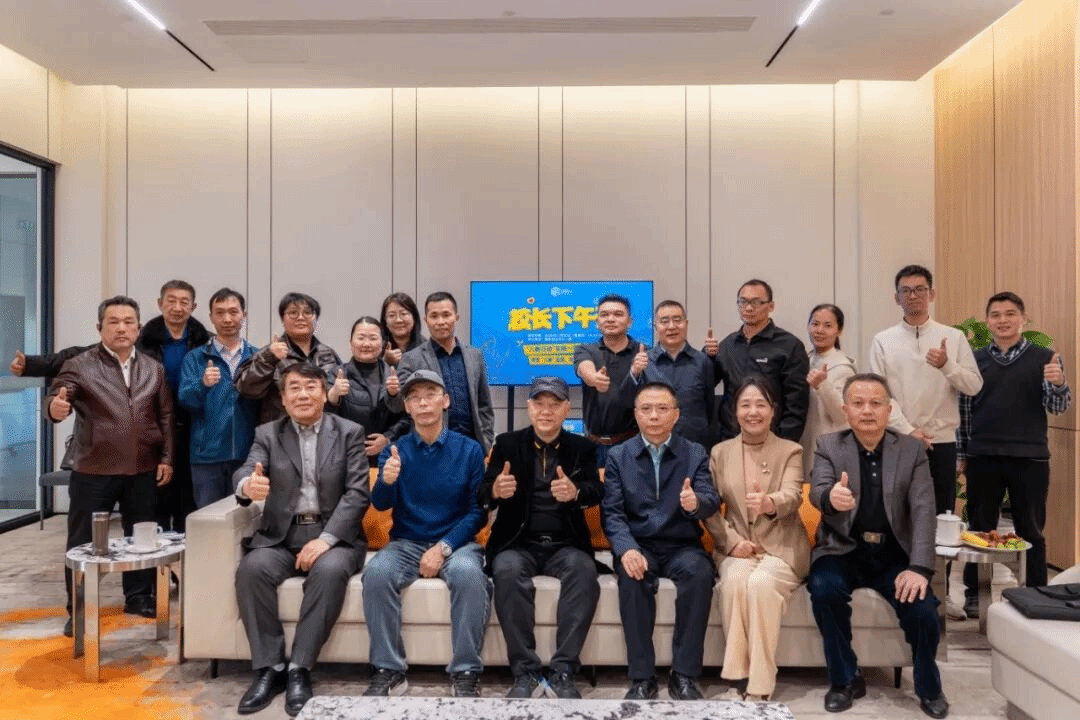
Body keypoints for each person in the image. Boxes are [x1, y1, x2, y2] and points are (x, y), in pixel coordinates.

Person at [807, 373, 948, 719]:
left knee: (923, 610)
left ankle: (928, 685)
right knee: (824, 589)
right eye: (858, 403)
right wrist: (830, 498)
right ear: (845, 410)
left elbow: (923, 509)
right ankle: (844, 679)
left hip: (894, 554)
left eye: (875, 403)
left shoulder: (911, 450)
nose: (867, 410)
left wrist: (919, 568)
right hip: (843, 549)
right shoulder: (829, 445)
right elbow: (818, 489)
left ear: (889, 409)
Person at [232, 363, 369, 717]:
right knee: (252, 570)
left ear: (324, 394)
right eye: (294, 388)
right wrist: (247, 485)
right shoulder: (267, 434)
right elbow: (248, 469)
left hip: (333, 538)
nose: (303, 395)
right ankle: (270, 668)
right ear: (283, 398)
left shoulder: (349, 432)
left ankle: (299, 669)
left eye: (311, 387)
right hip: (282, 537)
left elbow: (357, 493)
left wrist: (326, 539)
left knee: (329, 572)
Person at [44, 296, 173, 637]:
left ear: (138, 328)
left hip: (142, 467)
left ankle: (139, 597)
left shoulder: (153, 368)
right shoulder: (79, 365)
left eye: (128, 322)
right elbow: (60, 394)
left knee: (141, 536)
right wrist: (55, 408)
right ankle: (79, 609)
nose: (121, 328)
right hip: (93, 470)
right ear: (99, 327)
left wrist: (166, 458)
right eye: (113, 322)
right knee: (82, 543)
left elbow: (165, 416)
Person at [363, 369, 490, 698]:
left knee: (468, 574)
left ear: (445, 401)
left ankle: (465, 671)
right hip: (406, 542)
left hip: (457, 543)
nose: (423, 403)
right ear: (407, 407)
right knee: (376, 572)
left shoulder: (470, 450)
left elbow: (478, 513)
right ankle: (388, 669)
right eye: (415, 397)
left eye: (430, 394)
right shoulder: (395, 450)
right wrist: (386, 480)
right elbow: (381, 504)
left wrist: (443, 547)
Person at [869, 265, 982, 621]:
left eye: (920, 289)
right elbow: (878, 393)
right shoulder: (883, 340)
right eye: (906, 290)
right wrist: (907, 429)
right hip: (896, 440)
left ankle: (939, 593)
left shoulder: (953, 337)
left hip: (942, 442)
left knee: (939, 519)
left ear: (931, 294)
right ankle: (895, 588)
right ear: (896, 298)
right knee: (894, 514)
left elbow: (974, 385)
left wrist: (947, 365)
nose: (913, 296)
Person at [479, 376, 603, 699]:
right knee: (506, 570)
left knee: (584, 571)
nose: (546, 411)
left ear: (566, 409)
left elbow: (596, 490)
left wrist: (576, 492)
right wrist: (496, 490)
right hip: (518, 543)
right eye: (539, 403)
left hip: (566, 544)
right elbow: (483, 492)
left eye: (554, 404)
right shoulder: (507, 444)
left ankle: (563, 671)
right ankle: (526, 672)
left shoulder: (583, 448)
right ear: (529, 408)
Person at [601, 381, 720, 701]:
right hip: (639, 544)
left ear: (676, 415)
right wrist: (626, 549)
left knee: (699, 574)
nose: (654, 416)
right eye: (646, 409)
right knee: (632, 577)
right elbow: (612, 513)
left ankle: (684, 675)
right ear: (636, 414)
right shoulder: (618, 456)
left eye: (662, 409)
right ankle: (642, 677)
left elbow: (710, 499)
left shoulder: (694, 453)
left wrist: (696, 503)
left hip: (683, 545)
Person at [958, 292, 1071, 616]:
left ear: (1023, 318)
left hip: (1029, 458)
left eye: (1010, 314)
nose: (1003, 320)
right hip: (983, 456)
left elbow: (1057, 407)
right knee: (979, 529)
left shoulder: (1045, 358)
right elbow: (964, 412)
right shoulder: (974, 359)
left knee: (1031, 530)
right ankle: (975, 596)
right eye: (996, 314)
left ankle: (1036, 595)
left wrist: (1059, 384)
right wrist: (962, 454)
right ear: (987, 321)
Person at [705, 378, 810, 701]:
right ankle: (738, 679)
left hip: (781, 548)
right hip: (738, 547)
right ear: (735, 411)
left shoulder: (791, 450)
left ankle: (761, 685)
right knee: (735, 581)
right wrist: (731, 541)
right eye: (745, 405)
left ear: (773, 411)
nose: (753, 412)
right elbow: (710, 507)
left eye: (760, 405)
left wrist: (769, 503)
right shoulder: (720, 452)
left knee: (760, 584)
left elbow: (793, 495)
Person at [136, 279, 210, 532]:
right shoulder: (141, 342)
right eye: (171, 301)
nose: (177, 307)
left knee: (187, 499)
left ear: (193, 307)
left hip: (193, 426)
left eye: (184, 302)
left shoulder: (206, 343)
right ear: (160, 303)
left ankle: (184, 551)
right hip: (153, 426)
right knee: (155, 495)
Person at [177, 288, 260, 508]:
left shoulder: (257, 357)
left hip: (247, 455)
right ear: (211, 317)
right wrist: (202, 384)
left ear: (244, 315)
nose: (227, 319)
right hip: (206, 457)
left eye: (233, 312)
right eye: (220, 313)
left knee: (245, 518)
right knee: (208, 519)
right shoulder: (196, 358)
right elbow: (185, 401)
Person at [386, 291, 494, 454]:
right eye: (434, 316)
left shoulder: (474, 355)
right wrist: (393, 393)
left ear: (456, 317)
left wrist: (486, 439)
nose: (440, 321)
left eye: (446, 315)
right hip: (430, 449)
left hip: (472, 447)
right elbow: (397, 406)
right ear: (426, 320)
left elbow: (484, 404)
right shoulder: (411, 358)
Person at [703, 279, 810, 443]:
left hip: (772, 440)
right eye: (743, 302)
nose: (748, 308)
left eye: (756, 302)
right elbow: (705, 383)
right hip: (730, 439)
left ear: (771, 306)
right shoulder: (728, 345)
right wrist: (707, 356)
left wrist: (784, 444)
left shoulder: (789, 346)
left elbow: (796, 405)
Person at [235, 292, 342, 425]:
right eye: (293, 313)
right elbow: (246, 389)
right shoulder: (268, 353)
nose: (300, 318)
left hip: (322, 431)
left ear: (316, 319)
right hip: (281, 431)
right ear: (282, 319)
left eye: (307, 313)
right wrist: (270, 358)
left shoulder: (328, 354)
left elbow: (341, 399)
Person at [574, 293, 650, 465]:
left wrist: (637, 371)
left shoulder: (644, 353)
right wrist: (595, 379)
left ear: (629, 321)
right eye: (604, 314)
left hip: (633, 444)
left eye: (618, 314)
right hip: (593, 444)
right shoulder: (585, 350)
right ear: (597, 322)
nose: (610, 319)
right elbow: (585, 369)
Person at [326, 317, 409, 464]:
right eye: (361, 338)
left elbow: (407, 417)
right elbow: (325, 419)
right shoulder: (336, 374)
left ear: (383, 344)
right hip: (346, 456)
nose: (366, 344)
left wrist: (388, 438)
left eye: (373, 338)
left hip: (387, 457)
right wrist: (333, 395)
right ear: (350, 343)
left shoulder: (394, 375)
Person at [643, 300, 715, 448]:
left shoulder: (703, 361)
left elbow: (709, 406)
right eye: (664, 321)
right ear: (655, 327)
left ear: (686, 324)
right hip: (656, 446)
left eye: (677, 320)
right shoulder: (644, 363)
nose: (671, 326)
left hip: (695, 445)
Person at [802, 304, 857, 477]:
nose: (819, 330)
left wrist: (823, 385)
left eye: (827, 325)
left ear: (839, 331)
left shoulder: (843, 367)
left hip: (829, 448)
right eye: (815, 324)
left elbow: (842, 415)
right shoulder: (805, 359)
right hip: (805, 443)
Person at [379, 292, 425, 366]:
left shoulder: (427, 348)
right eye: (392, 315)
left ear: (414, 317)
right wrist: (384, 361)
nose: (398, 320)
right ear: (385, 321)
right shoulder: (377, 347)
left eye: (403, 314)